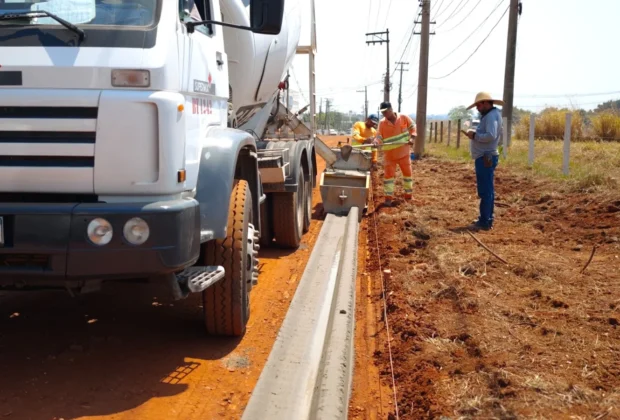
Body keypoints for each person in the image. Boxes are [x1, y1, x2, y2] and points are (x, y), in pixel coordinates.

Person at [464, 92, 504, 231]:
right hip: (485, 156)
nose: (477, 108)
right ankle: (485, 218)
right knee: (487, 189)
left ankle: (485, 220)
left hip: (486, 156)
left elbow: (491, 135)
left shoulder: (492, 116)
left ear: (486, 103)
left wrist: (474, 135)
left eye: (479, 105)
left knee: (486, 190)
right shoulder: (490, 115)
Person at [373, 102, 416, 206]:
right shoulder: (382, 123)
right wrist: (376, 142)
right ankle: (388, 198)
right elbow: (379, 136)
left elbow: (413, 127)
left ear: (391, 109)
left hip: (404, 153)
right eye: (382, 112)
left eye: (386, 111)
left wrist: (412, 138)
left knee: (407, 175)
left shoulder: (404, 118)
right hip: (390, 156)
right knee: (388, 178)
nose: (384, 114)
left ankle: (408, 196)